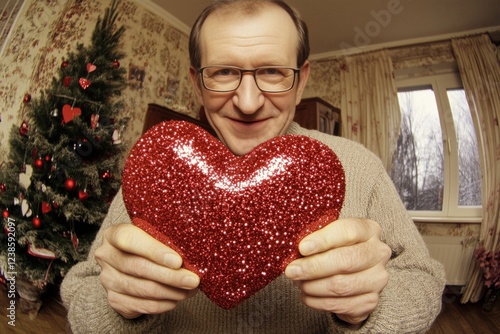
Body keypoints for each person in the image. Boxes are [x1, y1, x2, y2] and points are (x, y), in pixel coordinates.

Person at [61, 0, 445, 333]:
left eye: (272, 72)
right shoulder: (158, 169)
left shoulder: (358, 166)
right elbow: (83, 290)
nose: (247, 102)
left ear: (301, 80)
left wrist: (368, 309)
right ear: (198, 83)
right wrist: (118, 307)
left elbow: (423, 279)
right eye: (224, 72)